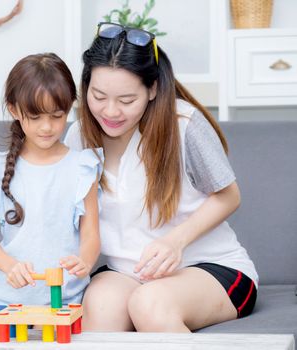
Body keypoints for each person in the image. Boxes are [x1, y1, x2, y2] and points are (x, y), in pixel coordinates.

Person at [64, 22, 258, 332]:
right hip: (126, 272)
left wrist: (175, 241)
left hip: (208, 267)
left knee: (149, 304)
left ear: (152, 89)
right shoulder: (78, 137)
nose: (110, 112)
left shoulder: (184, 125)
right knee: (100, 307)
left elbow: (229, 195)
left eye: (127, 101)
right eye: (98, 96)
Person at [0, 53, 102, 327]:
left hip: (65, 300)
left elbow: (91, 234)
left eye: (57, 116)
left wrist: (85, 261)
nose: (47, 127)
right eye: (35, 116)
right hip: (5, 299)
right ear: (14, 109)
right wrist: (10, 266)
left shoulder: (83, 167)